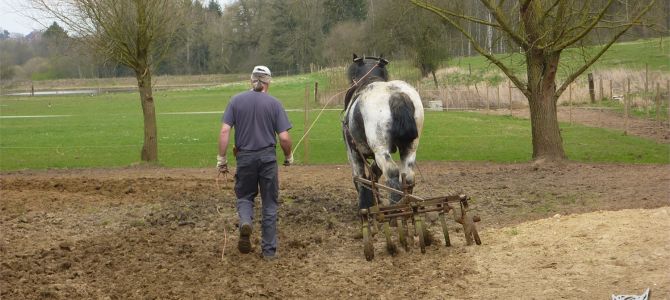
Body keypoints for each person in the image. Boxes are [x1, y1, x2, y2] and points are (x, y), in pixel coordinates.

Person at [217, 65, 293, 260]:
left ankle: (245, 221)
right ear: (268, 82)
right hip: (268, 158)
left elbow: (225, 131)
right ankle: (269, 252)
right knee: (269, 203)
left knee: (244, 197)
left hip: (244, 157)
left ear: (251, 80)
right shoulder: (275, 104)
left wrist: (222, 160)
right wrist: (288, 156)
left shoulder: (235, 101)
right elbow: (284, 138)